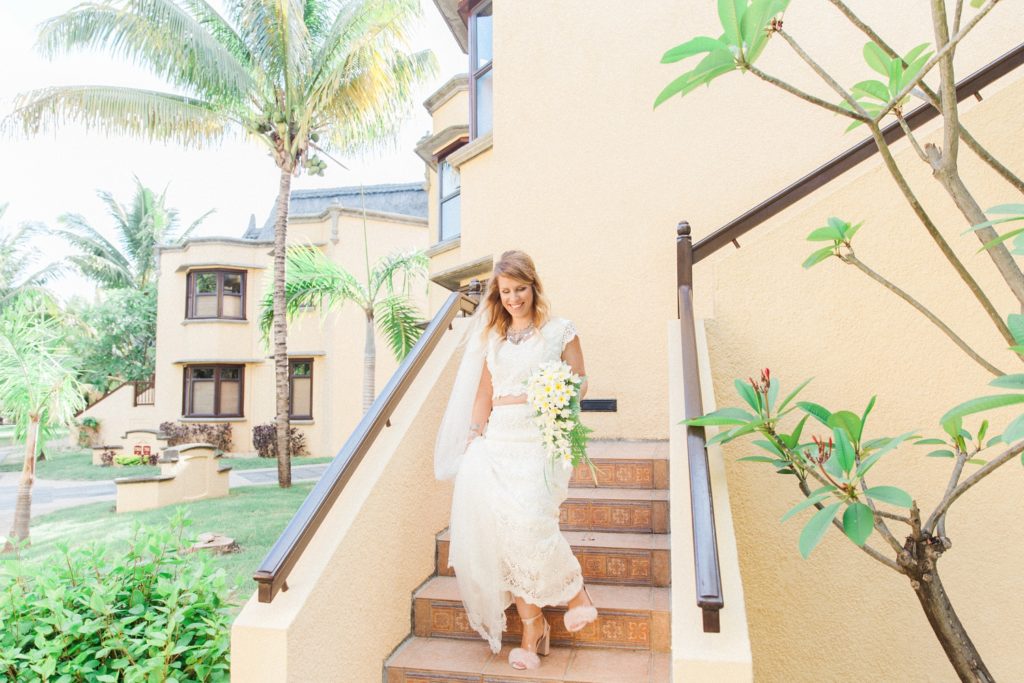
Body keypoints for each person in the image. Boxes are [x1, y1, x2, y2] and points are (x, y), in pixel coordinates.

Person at [434, 250, 597, 671]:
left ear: (533, 286)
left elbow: (578, 384)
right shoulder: (494, 340)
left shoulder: (561, 331)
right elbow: (484, 395)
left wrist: (556, 398)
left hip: (540, 439)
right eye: (505, 291)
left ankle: (576, 592)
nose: (513, 298)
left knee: (529, 522)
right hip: (499, 440)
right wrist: (474, 435)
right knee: (500, 539)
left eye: (520, 289)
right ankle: (531, 627)